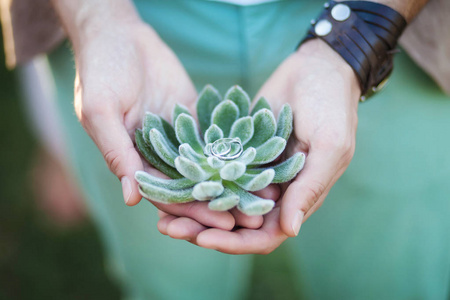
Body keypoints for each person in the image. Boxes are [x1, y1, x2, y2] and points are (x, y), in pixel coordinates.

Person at [2, 0, 450, 298]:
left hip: (384, 16)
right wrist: (97, 19)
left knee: (391, 278)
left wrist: (358, 38)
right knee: (169, 285)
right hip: (132, 14)